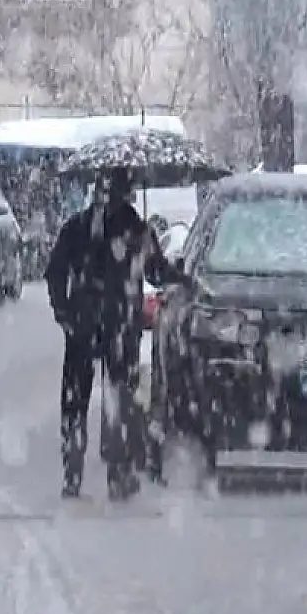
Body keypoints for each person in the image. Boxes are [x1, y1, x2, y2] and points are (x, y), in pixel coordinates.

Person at [44, 166, 195, 500]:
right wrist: (184, 280)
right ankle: (119, 472)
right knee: (120, 400)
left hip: (82, 326)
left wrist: (65, 311)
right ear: (128, 192)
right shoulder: (137, 230)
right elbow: (157, 272)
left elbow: (54, 271)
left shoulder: (79, 226)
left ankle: (73, 473)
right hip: (121, 326)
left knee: (75, 400)